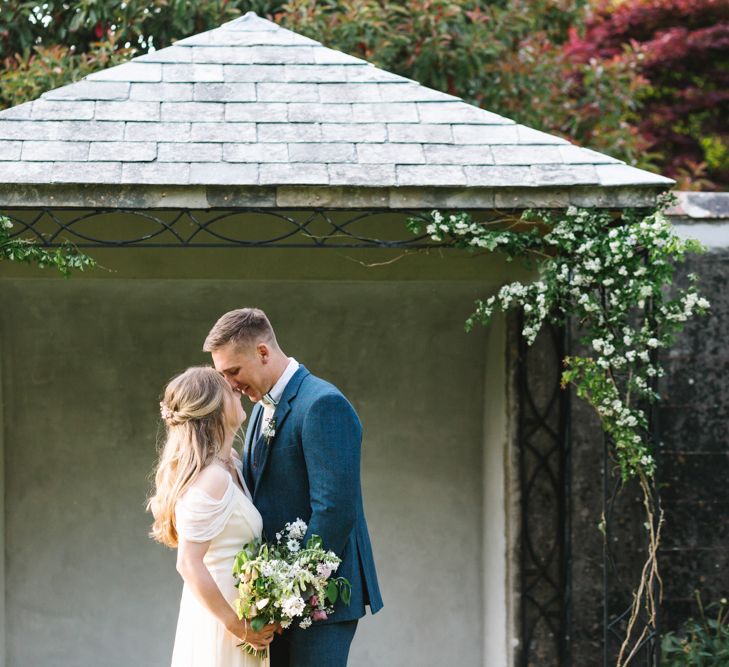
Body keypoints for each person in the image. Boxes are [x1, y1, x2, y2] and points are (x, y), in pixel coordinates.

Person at [203, 308, 383, 667]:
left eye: (233, 371)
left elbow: (334, 510)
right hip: (280, 600)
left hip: (320, 601)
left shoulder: (323, 404)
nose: (230, 384)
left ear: (263, 353)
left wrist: (289, 589)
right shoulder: (258, 410)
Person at [147, 366, 276, 666]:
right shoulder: (212, 478)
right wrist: (236, 626)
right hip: (221, 623)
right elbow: (188, 562)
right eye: (230, 390)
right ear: (214, 410)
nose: (239, 390)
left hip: (240, 614)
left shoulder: (230, 463)